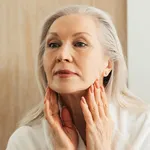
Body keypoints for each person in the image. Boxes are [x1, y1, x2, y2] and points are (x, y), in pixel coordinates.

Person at [6, 5, 150, 150]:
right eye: (53, 44)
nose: (62, 55)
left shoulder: (144, 129)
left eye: (80, 44)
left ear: (108, 64)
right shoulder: (25, 141)